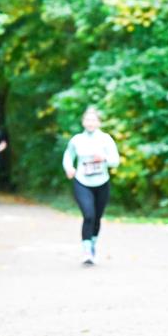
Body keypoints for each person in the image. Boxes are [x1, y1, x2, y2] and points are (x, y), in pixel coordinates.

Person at [62, 107, 120, 265]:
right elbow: (68, 155)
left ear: (99, 122)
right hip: (82, 182)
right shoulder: (77, 140)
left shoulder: (106, 139)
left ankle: (92, 245)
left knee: (97, 217)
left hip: (102, 183)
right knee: (88, 215)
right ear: (83, 122)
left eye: (93, 120)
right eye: (87, 120)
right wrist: (69, 168)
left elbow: (115, 161)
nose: (90, 123)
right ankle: (87, 251)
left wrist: (104, 158)